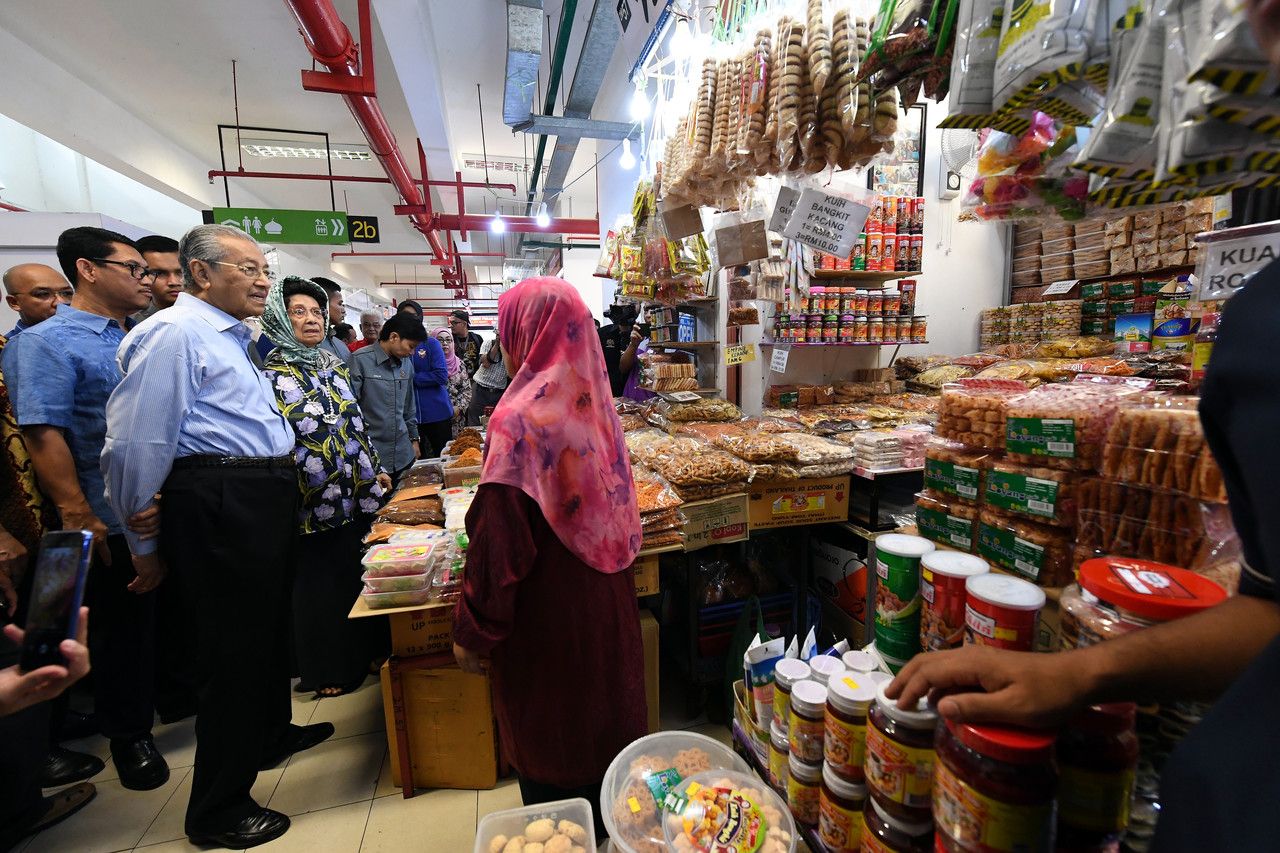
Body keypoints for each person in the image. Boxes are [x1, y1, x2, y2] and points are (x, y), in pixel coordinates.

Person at [102, 224, 334, 849]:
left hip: (255, 494)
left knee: (263, 635)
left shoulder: (231, 338)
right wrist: (141, 537)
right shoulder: (176, 334)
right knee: (231, 653)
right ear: (201, 274)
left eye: (266, 269)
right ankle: (217, 807)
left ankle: (269, 735)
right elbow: (136, 444)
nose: (264, 282)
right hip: (221, 499)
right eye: (248, 269)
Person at [452, 277, 646, 839]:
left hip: (548, 616)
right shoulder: (595, 405)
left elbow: (500, 544)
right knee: (607, 761)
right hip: (605, 606)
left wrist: (475, 628)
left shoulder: (518, 420)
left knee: (555, 779)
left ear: (525, 333)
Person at [2, 226, 170, 793]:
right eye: (136, 269)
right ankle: (129, 738)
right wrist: (78, 512)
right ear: (89, 270)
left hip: (147, 507)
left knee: (146, 628)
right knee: (114, 631)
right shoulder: (47, 341)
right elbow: (41, 429)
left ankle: (146, 713)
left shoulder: (136, 335)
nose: (146, 280)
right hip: (96, 517)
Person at [261, 277, 392, 697]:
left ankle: (366, 652)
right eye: (299, 312)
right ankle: (329, 670)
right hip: (309, 501)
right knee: (319, 587)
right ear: (279, 317)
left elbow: (354, 421)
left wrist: (373, 466)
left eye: (317, 312)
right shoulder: (268, 373)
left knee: (355, 575)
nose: (312, 320)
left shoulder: (330, 365)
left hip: (355, 493)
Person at [0, 330, 97, 851]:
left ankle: (31, 770)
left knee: (34, 653)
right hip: (32, 527)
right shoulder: (36, 347)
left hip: (44, 529)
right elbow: (40, 434)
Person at [347, 312, 425, 480]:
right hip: (373, 456)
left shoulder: (406, 364)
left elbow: (409, 406)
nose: (412, 353)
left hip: (404, 453)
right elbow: (350, 411)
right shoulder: (360, 361)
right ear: (394, 337)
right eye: (410, 346)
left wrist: (414, 439)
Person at [411, 328, 454, 458]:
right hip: (411, 416)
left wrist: (411, 378)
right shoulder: (397, 347)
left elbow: (441, 376)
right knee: (418, 461)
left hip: (437, 413)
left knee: (444, 456)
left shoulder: (430, 344)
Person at [3, 264, 74, 338]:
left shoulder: (83, 335)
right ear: (14, 302)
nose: (61, 302)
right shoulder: (9, 347)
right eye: (43, 294)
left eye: (67, 293)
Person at [597, 303, 649, 398]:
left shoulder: (642, 333)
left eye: (633, 303)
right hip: (607, 395)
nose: (627, 305)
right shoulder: (602, 334)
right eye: (623, 301)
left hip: (637, 396)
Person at [131, 235, 183, 324]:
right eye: (159, 273)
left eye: (180, 272)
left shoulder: (210, 313)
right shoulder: (132, 325)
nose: (174, 282)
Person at [434, 327, 471, 438]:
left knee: (455, 449)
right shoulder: (429, 365)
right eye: (440, 340)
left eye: (448, 340)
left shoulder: (459, 364)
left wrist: (458, 407)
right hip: (435, 418)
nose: (445, 343)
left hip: (456, 418)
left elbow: (467, 390)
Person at [467, 332, 509, 426]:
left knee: (497, 423)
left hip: (499, 392)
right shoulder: (488, 343)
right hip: (479, 389)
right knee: (475, 422)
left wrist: (506, 348)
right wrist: (497, 344)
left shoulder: (512, 349)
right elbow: (486, 363)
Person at [310, 276, 351, 365]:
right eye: (340, 304)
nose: (343, 310)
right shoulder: (306, 346)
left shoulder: (340, 345)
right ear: (323, 304)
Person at [449, 309, 483, 376]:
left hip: (474, 378)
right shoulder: (449, 340)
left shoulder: (477, 338)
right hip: (456, 379)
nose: (451, 325)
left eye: (455, 323)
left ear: (464, 323)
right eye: (451, 323)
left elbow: (482, 359)